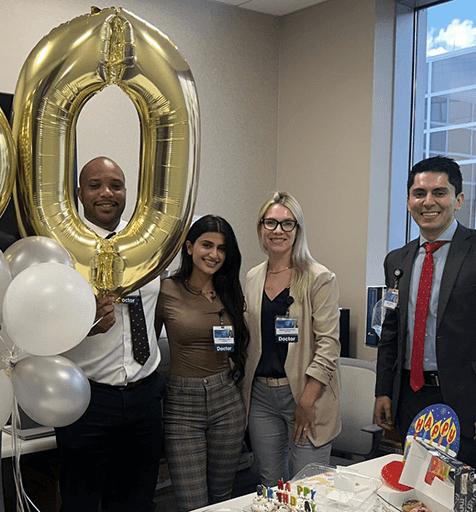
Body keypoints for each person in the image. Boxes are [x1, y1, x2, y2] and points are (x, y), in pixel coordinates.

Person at [373, 156, 476, 474]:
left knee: (470, 499)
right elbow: (390, 332)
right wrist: (383, 389)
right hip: (412, 402)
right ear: (408, 201)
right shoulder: (398, 260)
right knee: (418, 491)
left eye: (440, 192)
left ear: (458, 200)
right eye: (419, 193)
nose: (428, 201)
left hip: (475, 406)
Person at [55, 156, 165, 512]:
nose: (107, 193)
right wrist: (86, 328)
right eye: (95, 185)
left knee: (136, 502)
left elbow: (156, 310)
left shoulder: (147, 247)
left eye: (116, 186)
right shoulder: (63, 255)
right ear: (79, 195)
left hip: (144, 397)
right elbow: (42, 330)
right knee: (81, 503)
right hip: (88, 401)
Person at [242, 192, 342, 485]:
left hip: (306, 392)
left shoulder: (319, 277)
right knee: (268, 481)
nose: (278, 231)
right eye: (271, 223)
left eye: (288, 224)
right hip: (261, 396)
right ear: (260, 228)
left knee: (308, 484)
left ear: (298, 230)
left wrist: (307, 401)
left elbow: (329, 345)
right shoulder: (252, 277)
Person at [155, 215, 250, 511]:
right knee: (192, 503)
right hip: (182, 406)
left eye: (222, 249)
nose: (214, 255)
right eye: (207, 245)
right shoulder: (165, 290)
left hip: (227, 400)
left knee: (222, 498)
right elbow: (142, 344)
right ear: (188, 247)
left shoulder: (230, 290)